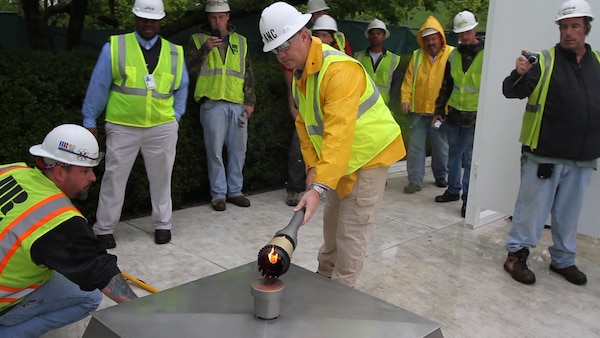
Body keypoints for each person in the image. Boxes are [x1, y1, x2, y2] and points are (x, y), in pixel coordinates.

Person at [259, 2, 406, 287]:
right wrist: (314, 168)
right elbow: (304, 125)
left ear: (304, 35)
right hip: (340, 160)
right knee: (332, 226)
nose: (281, 54)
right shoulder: (301, 75)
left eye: (284, 45)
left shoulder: (339, 70)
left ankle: (341, 296)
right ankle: (324, 280)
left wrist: (317, 188)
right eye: (275, 49)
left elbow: (339, 134)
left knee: (351, 232)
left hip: (368, 157)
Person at [0, 124, 137, 337]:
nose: (92, 178)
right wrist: (146, 316)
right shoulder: (56, 219)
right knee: (89, 297)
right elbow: (100, 271)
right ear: (59, 171)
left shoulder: (11, 170)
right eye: (85, 171)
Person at [502, 0, 599, 286]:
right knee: (531, 209)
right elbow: (510, 91)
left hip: (582, 156)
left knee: (568, 214)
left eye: (575, 26)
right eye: (565, 27)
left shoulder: (598, 64)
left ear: (587, 29)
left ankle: (563, 259)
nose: (569, 33)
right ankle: (516, 256)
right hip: (544, 152)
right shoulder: (542, 60)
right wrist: (519, 73)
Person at [82, 0, 189, 248]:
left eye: (152, 19)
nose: (148, 23)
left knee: (162, 178)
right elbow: (98, 86)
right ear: (135, 18)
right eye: (143, 18)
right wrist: (90, 119)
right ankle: (104, 228)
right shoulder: (115, 46)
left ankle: (163, 225)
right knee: (113, 178)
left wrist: (176, 117)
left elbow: (182, 86)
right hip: (122, 126)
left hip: (162, 126)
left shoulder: (175, 52)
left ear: (160, 20)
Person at [186, 0, 256, 212]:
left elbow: (248, 72)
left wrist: (250, 101)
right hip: (212, 103)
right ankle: (218, 195)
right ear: (208, 18)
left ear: (228, 16)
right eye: (214, 17)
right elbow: (186, 69)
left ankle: (235, 191)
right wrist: (205, 50)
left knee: (238, 150)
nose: (218, 21)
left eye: (222, 16)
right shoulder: (198, 40)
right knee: (214, 151)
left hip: (237, 104)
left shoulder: (241, 41)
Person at [432, 10, 484, 218]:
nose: (464, 36)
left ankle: (468, 199)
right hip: (454, 114)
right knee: (453, 155)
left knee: (470, 159)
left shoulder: (486, 54)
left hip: (475, 117)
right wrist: (439, 110)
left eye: (467, 32)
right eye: (461, 33)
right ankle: (453, 190)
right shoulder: (453, 55)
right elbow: (447, 84)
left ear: (475, 29)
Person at [400, 16, 452, 194]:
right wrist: (405, 99)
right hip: (419, 110)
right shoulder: (417, 56)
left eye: (433, 38)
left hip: (440, 111)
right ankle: (415, 180)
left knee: (441, 146)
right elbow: (409, 80)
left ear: (440, 38)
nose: (431, 42)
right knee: (415, 147)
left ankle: (441, 175)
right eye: (427, 39)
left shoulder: (451, 55)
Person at [354, 18, 403, 107]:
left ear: (384, 36)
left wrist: (392, 107)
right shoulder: (358, 57)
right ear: (368, 36)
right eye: (372, 33)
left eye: (378, 33)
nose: (375, 36)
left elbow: (395, 87)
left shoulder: (394, 60)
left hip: (383, 106)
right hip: (362, 105)